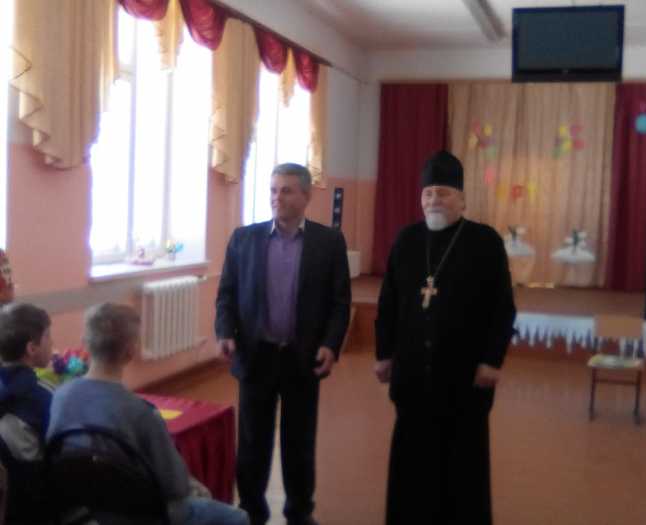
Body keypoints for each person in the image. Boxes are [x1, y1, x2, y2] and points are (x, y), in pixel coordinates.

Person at [374, 150, 516, 525]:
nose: (434, 199)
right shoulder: (406, 240)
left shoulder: (485, 242)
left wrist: (492, 360)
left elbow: (503, 307)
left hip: (465, 378)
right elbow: (388, 301)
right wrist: (384, 353)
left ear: (462, 199)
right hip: (413, 378)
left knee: (463, 463)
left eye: (443, 192)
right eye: (428, 193)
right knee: (411, 460)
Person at [215, 163, 351, 525]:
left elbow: (340, 302)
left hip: (302, 357)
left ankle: (299, 512)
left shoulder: (328, 243)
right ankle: (251, 510)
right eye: (273, 190)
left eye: (287, 190)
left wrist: (331, 344)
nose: (277, 197)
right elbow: (226, 294)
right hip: (256, 355)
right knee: (252, 441)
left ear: (306, 196)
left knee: (299, 441)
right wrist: (225, 332)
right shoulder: (244, 239)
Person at [48, 302, 249, 525]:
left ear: (84, 343)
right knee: (237, 517)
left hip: (87, 505)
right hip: (145, 513)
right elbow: (175, 486)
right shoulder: (142, 414)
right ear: (131, 352)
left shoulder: (60, 397)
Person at [0, 303, 54, 523]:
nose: (52, 342)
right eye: (48, 336)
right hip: (35, 502)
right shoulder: (41, 397)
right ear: (32, 349)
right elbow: (63, 447)